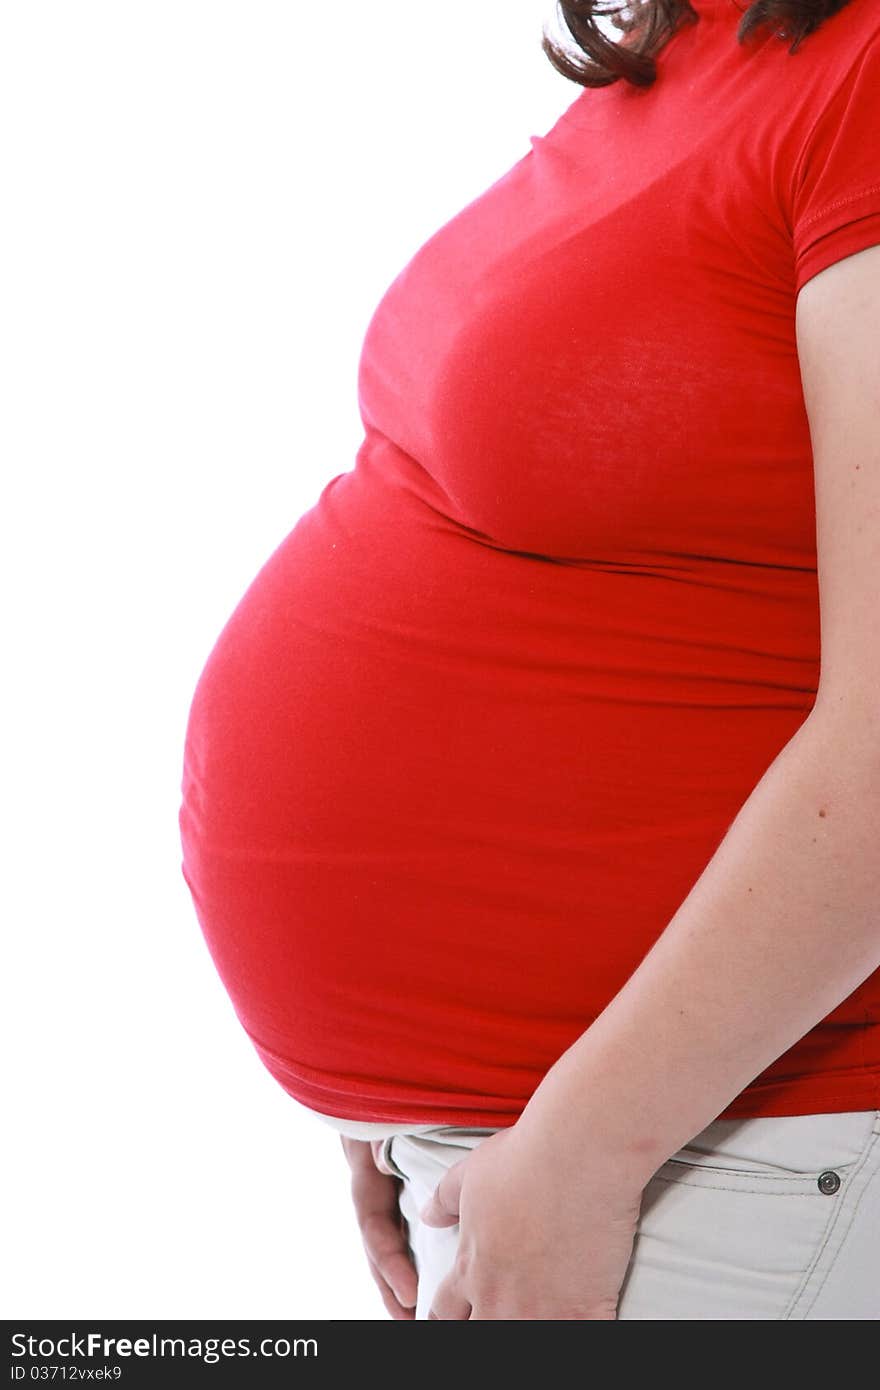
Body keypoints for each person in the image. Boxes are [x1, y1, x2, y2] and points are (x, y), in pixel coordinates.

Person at [178, 0, 880, 1319]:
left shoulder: (866, 84)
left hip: (713, 1153)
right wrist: (400, 1088)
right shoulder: (696, 52)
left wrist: (589, 1144)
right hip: (557, 1141)